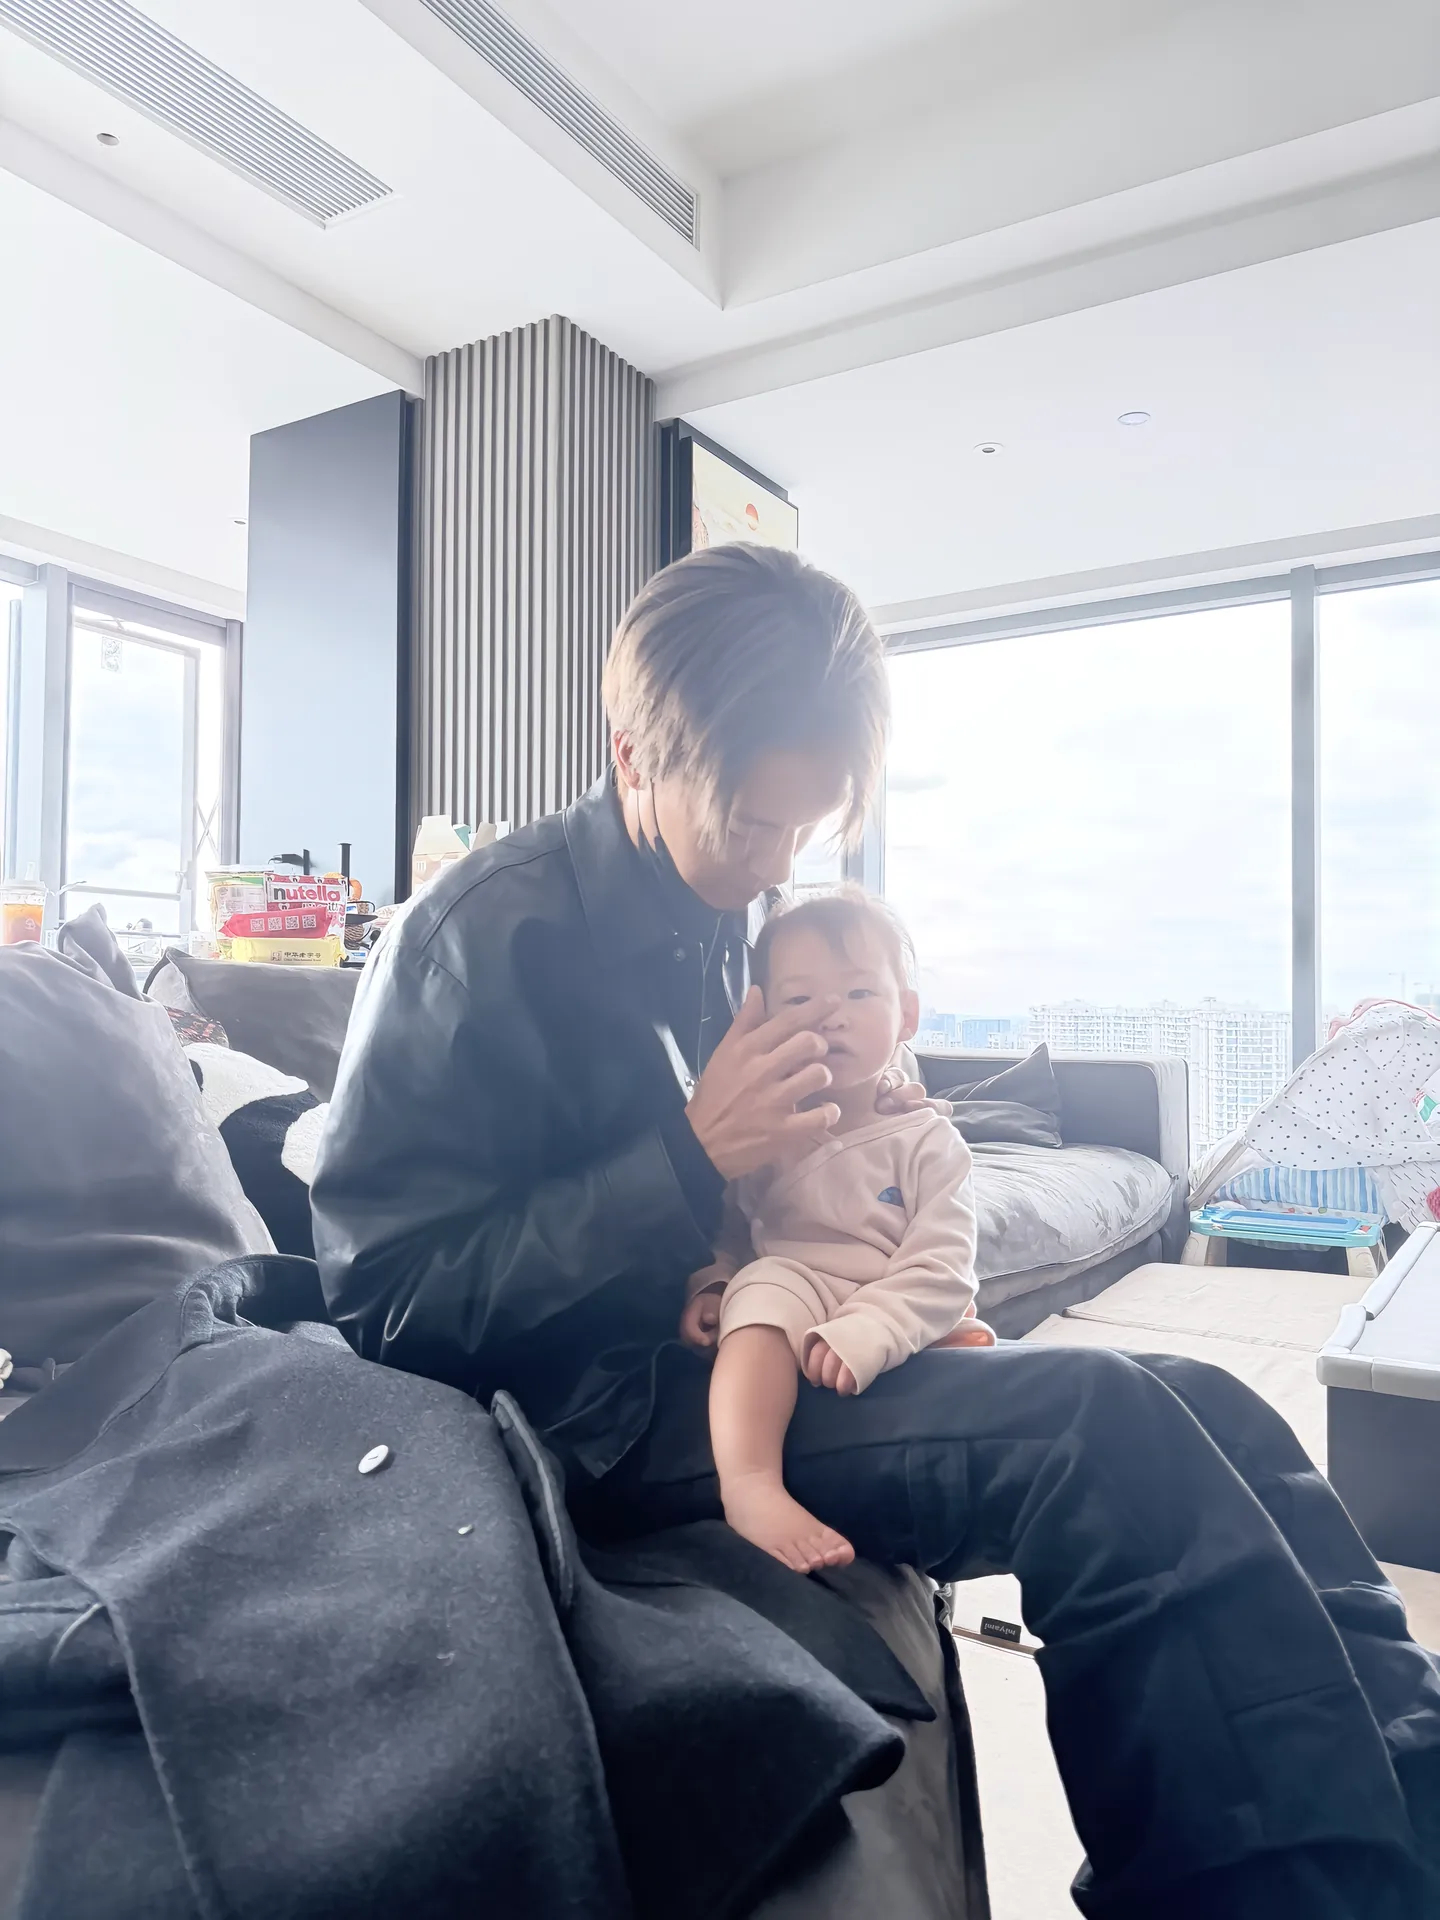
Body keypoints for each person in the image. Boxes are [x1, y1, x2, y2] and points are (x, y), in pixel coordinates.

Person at [312, 543, 1440, 1919]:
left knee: (1210, 1401)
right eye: (752, 826)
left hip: (756, 1324)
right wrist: (684, 1161)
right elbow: (385, 1302)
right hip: (595, 1408)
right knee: (1100, 1434)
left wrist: (853, 1106)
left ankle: (1418, 1802)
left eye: (807, 830)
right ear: (632, 754)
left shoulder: (718, 908)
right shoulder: (479, 940)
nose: (777, 865)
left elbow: (766, 1130)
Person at [679, 889, 993, 1574]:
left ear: (907, 1014)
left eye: (858, 993)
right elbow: (730, 1229)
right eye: (799, 1000)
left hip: (893, 1293)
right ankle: (751, 1485)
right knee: (757, 1300)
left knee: (962, 1327)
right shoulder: (764, 1130)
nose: (831, 1016)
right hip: (794, 1286)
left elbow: (942, 1266)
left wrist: (872, 1328)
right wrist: (715, 1282)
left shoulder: (927, 1140)